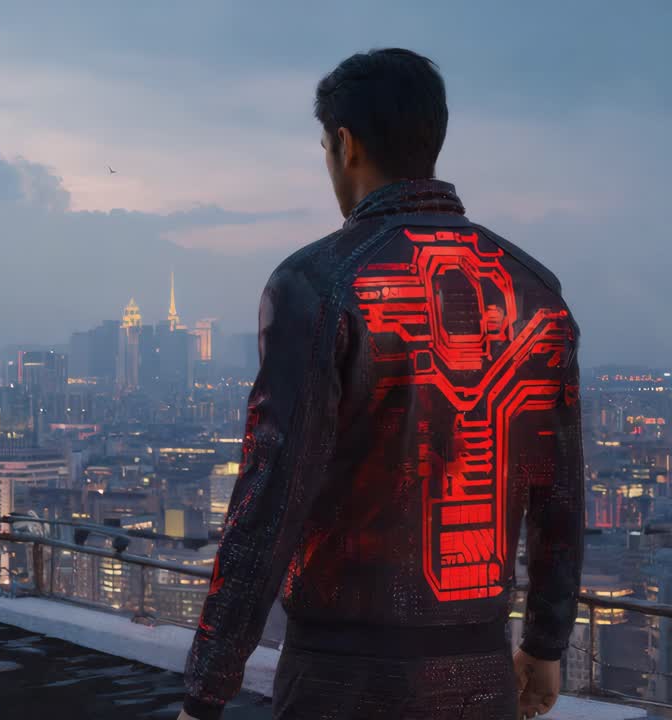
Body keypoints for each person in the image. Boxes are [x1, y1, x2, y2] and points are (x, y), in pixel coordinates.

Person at [179, 48, 583, 720]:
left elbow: (272, 497)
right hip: (482, 669)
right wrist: (543, 643)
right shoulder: (535, 290)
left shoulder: (317, 282)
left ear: (346, 143)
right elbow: (560, 494)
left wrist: (206, 687)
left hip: (342, 676)